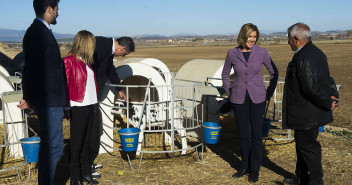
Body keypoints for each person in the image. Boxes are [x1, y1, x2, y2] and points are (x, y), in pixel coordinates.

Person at [283, 23, 339, 185]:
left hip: (306, 114)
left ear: (297, 38)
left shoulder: (304, 58)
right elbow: (327, 80)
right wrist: (333, 96)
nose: (288, 42)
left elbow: (311, 89)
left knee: (309, 150)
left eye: (289, 39)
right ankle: (301, 178)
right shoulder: (317, 53)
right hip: (311, 113)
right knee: (303, 148)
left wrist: (328, 101)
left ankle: (315, 182)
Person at [222, 23, 278, 183]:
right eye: (250, 36)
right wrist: (230, 92)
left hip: (257, 98)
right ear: (243, 36)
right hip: (238, 98)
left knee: (255, 135)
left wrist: (268, 93)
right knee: (243, 134)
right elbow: (225, 74)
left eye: (255, 37)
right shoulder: (232, 53)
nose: (252, 39)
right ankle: (244, 166)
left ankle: (255, 169)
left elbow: (274, 72)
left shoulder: (262, 52)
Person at [17, 0, 66, 184]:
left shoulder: (39, 31)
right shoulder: (38, 33)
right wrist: (28, 96)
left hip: (50, 99)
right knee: (55, 146)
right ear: (48, 9)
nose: (58, 13)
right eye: (56, 10)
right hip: (48, 100)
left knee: (48, 145)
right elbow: (31, 68)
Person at [88, 36, 135, 178]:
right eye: (125, 54)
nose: (123, 56)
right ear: (122, 49)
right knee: (90, 131)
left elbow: (110, 70)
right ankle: (83, 167)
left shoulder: (107, 49)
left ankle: (87, 164)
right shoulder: (100, 45)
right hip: (86, 96)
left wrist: (119, 89)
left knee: (94, 130)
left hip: (91, 96)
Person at [64, 30, 99, 185]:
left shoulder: (87, 62)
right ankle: (75, 177)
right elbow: (64, 86)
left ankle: (85, 173)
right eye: (92, 43)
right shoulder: (69, 61)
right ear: (86, 43)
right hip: (78, 106)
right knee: (76, 144)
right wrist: (66, 107)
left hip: (91, 105)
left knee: (86, 142)